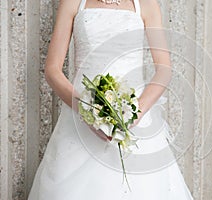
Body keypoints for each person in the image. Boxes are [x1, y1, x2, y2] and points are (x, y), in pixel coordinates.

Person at [28, 0, 194, 199]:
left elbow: (164, 70)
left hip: (133, 119)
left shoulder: (146, 4)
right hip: (80, 118)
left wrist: (134, 113)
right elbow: (52, 70)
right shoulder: (73, 2)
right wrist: (87, 111)